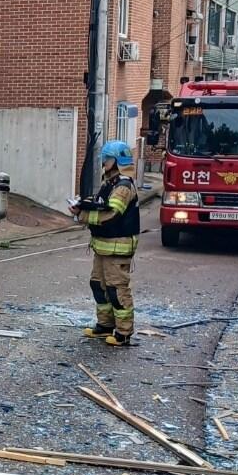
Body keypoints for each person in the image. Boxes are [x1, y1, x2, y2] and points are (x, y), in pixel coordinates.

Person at [74, 139, 140, 347]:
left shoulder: (123, 186)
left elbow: (111, 214)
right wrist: (83, 204)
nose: (104, 162)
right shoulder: (109, 183)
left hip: (117, 246)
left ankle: (124, 331)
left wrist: (82, 216)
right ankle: (105, 325)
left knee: (116, 289)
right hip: (103, 245)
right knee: (98, 285)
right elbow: (100, 203)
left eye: (108, 158)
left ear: (118, 160)